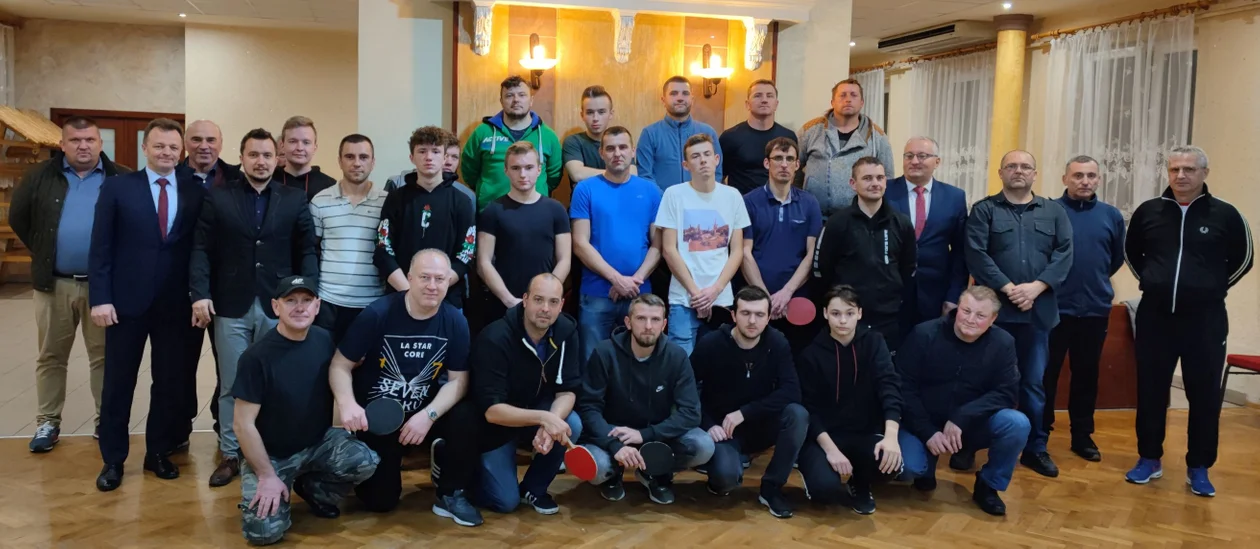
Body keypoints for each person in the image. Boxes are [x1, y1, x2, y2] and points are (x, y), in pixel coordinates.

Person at [191, 128, 319, 488]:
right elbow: (201, 249)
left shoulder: (293, 198)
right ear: (242, 158)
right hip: (230, 304)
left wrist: (310, 295)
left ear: (277, 158)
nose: (260, 162)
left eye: (266, 155)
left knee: (276, 382)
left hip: (278, 304)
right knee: (233, 383)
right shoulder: (218, 197)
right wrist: (199, 293)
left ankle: (271, 451)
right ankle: (231, 453)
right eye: (253, 155)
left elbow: (307, 249)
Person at [1124, 145, 1253, 496]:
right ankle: (1149, 458)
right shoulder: (1149, 211)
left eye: (1189, 169)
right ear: (1168, 172)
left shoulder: (1226, 214)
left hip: (1205, 320)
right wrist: (1153, 282)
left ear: (1204, 173)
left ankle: (1199, 466)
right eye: (1174, 169)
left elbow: (1244, 259)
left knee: (1204, 395)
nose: (1181, 175)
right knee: (1151, 391)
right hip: (1155, 317)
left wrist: (1210, 289)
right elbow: (1132, 252)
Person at [87, 118, 203, 491]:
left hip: (175, 305)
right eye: (159, 146)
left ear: (181, 151)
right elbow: (101, 247)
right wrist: (100, 298)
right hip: (125, 304)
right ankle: (113, 460)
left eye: (173, 147)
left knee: (168, 382)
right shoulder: (118, 187)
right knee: (118, 383)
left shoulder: (195, 190)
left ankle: (158, 452)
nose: (166, 152)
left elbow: (198, 248)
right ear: (145, 148)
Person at [330, 249, 483, 526]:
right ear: (410, 278)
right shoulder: (377, 314)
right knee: (381, 501)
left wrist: (429, 415)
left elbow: (458, 381)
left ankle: (450, 491)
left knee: (467, 415)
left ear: (449, 281)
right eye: (425, 277)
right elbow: (339, 365)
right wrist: (347, 403)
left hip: (423, 414)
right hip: (380, 418)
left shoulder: (455, 321)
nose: (432, 286)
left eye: (440, 279)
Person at [232, 276, 380, 546]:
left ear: (317, 306)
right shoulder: (256, 358)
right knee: (262, 533)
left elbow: (341, 371)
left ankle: (313, 489)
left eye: (306, 301)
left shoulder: (324, 339)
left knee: (365, 460)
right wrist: (266, 475)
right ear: (276, 307)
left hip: (317, 443)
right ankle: (278, 491)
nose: (300, 307)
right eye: (291, 301)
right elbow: (242, 425)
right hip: (272, 456)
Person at [10, 116, 126, 452]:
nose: (83, 146)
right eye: (75, 140)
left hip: (103, 289)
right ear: (62, 144)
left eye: (89, 140)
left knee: (104, 358)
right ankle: (48, 422)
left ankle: (105, 422)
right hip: (54, 285)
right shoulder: (39, 176)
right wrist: (46, 250)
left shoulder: (121, 177)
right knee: (51, 356)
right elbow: (18, 217)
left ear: (100, 143)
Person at [965, 150, 1073, 479]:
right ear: (1000, 173)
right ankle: (969, 445)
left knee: (1033, 385)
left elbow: (1065, 254)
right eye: (1011, 166)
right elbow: (976, 254)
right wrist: (1010, 288)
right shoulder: (984, 210)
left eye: (1025, 166)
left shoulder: (1054, 212)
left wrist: (1036, 288)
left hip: (1038, 316)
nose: (1018, 171)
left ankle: (1035, 448)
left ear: (1035, 174)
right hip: (993, 317)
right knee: (980, 383)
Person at [577, 293, 715, 505]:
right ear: (628, 322)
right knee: (597, 468)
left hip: (655, 434)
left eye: (655, 319)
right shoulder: (604, 352)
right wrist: (614, 445)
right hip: (613, 433)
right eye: (641, 318)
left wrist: (645, 434)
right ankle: (613, 474)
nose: (648, 326)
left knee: (703, 446)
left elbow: (691, 413)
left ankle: (653, 472)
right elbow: (589, 408)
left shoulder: (676, 356)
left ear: (664, 325)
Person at [691, 286, 806, 518]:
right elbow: (686, 390)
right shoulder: (711, 343)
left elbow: (791, 391)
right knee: (726, 480)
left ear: (768, 318)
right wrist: (708, 424)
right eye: (745, 313)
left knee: (798, 414)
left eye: (759, 314)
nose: (752, 321)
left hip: (761, 425)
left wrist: (744, 412)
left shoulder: (777, 342)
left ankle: (772, 488)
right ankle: (722, 464)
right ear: (734, 315)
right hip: (723, 431)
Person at [472, 274, 582, 515]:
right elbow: (492, 411)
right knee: (505, 502)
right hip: (495, 425)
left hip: (534, 412)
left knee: (570, 423)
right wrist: (544, 419)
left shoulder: (567, 331)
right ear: (525, 300)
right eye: (538, 300)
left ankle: (534, 489)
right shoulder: (494, 337)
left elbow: (567, 390)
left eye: (553, 302)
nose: (545, 309)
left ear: (561, 305)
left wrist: (550, 422)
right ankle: (458, 466)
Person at [1043, 155, 1125, 462]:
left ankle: (1082, 436)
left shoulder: (1111, 215)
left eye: (1091, 175)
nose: (1085, 181)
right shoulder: (1048, 211)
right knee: (1045, 375)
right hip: (1052, 309)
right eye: (1078, 175)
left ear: (1099, 180)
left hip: (1093, 309)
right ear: (1065, 179)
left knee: (1086, 376)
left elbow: (1114, 258)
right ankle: (1040, 435)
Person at [795, 286, 903, 515]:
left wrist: (891, 437)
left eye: (849, 313)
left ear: (860, 314)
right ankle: (812, 471)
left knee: (890, 463)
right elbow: (809, 408)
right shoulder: (811, 354)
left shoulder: (874, 343)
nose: (843, 320)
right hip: (824, 436)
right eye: (836, 313)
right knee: (824, 489)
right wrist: (831, 450)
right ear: (825, 313)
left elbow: (889, 387)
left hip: (864, 432)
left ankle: (860, 483)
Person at [570, 126, 662, 361]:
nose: (617, 153)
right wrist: (616, 279)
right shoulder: (585, 189)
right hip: (596, 294)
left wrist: (633, 280)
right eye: (610, 148)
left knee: (639, 363)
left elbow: (658, 245)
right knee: (592, 362)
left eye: (623, 147)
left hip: (640, 293)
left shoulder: (651, 191)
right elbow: (580, 243)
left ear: (633, 151)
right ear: (601, 153)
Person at [176, 118, 241, 447]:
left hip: (228, 290)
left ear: (221, 143)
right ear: (186, 143)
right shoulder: (170, 178)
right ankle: (178, 430)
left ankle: (223, 427)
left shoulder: (237, 178)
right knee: (179, 365)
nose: (204, 146)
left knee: (228, 366)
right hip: (179, 288)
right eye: (197, 139)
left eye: (211, 139)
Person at [655, 134, 749, 355]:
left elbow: (737, 251)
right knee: (682, 363)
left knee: (717, 364)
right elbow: (668, 249)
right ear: (686, 165)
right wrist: (696, 294)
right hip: (683, 298)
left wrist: (714, 291)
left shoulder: (733, 196)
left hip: (721, 299)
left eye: (707, 154)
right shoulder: (673, 194)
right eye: (695, 156)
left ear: (717, 159)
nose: (703, 160)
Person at [812, 157, 916, 351]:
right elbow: (821, 270)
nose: (875, 183)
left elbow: (908, 269)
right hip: (847, 319)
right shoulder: (836, 223)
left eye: (880, 178)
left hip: (888, 319)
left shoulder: (901, 223)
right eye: (867, 178)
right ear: (853, 183)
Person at [374, 126, 477, 311]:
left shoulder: (462, 201)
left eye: (435, 151)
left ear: (445, 157)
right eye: (422, 151)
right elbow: (383, 249)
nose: (429, 157)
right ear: (411, 157)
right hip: (400, 297)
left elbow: (466, 255)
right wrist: (410, 292)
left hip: (447, 301)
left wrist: (435, 290)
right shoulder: (396, 198)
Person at [740, 136, 822, 353]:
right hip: (757, 301)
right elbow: (744, 253)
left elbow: (811, 254)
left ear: (798, 165)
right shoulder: (748, 202)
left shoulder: (810, 203)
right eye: (778, 158)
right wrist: (764, 297)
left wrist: (786, 293)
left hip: (796, 300)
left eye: (789, 159)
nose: (784, 164)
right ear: (767, 163)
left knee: (795, 360)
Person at [477, 141, 572, 323]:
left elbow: (564, 260)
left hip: (544, 307)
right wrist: (509, 300)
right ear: (506, 171)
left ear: (539, 169)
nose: (522, 174)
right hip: (504, 303)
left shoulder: (556, 210)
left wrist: (544, 297)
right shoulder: (493, 210)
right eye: (515, 168)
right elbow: (483, 262)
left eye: (529, 167)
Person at [309, 134, 388, 343]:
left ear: (373, 162)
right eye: (350, 157)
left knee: (367, 363)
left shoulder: (387, 202)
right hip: (328, 303)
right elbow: (311, 250)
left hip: (372, 302)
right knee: (325, 361)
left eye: (363, 157)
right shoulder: (320, 201)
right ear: (340, 161)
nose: (357, 163)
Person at [884, 137, 969, 326]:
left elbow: (960, 252)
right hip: (891, 293)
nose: (914, 161)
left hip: (935, 294)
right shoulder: (885, 192)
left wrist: (954, 295)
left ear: (937, 161)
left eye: (922, 156)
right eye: (909, 156)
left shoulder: (954, 197)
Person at [461, 75, 562, 211]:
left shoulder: (548, 136)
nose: (516, 100)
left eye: (522, 95)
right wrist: (486, 190)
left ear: (531, 100)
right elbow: (469, 171)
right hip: (491, 211)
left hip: (536, 212)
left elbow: (554, 176)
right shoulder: (482, 132)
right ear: (501, 101)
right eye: (509, 96)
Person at [797, 79, 895, 217]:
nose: (848, 99)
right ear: (832, 102)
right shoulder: (811, 130)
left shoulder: (877, 137)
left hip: (858, 218)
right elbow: (793, 167)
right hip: (813, 215)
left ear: (862, 102)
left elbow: (888, 178)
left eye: (854, 95)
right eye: (842, 95)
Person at [636, 76, 723, 191]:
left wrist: (702, 196)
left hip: (702, 200)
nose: (680, 98)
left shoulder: (708, 132)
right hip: (661, 201)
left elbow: (716, 173)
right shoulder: (649, 134)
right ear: (663, 100)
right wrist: (668, 199)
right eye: (674, 93)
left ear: (692, 99)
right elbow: (645, 176)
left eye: (685, 93)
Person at [719, 80, 797, 195]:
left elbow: (792, 174)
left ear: (776, 104)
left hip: (777, 202)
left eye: (769, 96)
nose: (764, 100)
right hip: (741, 203)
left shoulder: (788, 137)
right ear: (747, 104)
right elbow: (719, 176)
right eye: (758, 95)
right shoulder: (730, 137)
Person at [562, 85, 637, 185]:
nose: (595, 118)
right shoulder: (573, 142)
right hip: (585, 195)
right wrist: (618, 173)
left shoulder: (621, 140)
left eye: (601, 112)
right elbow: (577, 174)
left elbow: (633, 174)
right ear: (582, 115)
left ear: (611, 114)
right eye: (589, 112)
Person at [273, 116, 336, 201]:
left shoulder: (330, 187)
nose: (300, 148)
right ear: (282, 145)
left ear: (315, 147)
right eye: (293, 141)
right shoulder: (269, 181)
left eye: (306, 142)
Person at [178, 119, 242, 188]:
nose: (204, 146)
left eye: (211, 140)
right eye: (196, 140)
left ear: (220, 144)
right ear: (185, 144)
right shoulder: (172, 176)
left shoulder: (239, 179)